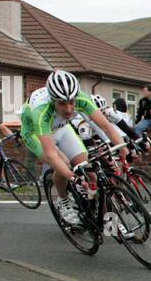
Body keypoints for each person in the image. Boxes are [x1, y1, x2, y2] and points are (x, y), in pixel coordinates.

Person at [19, 69, 130, 226]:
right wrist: (74, 178)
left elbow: (105, 125)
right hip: (36, 133)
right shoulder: (41, 110)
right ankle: (63, 201)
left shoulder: (82, 98)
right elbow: (51, 155)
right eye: (62, 104)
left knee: (90, 172)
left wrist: (123, 148)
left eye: (72, 102)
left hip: (62, 128)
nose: (69, 109)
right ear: (53, 100)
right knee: (63, 164)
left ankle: (97, 216)